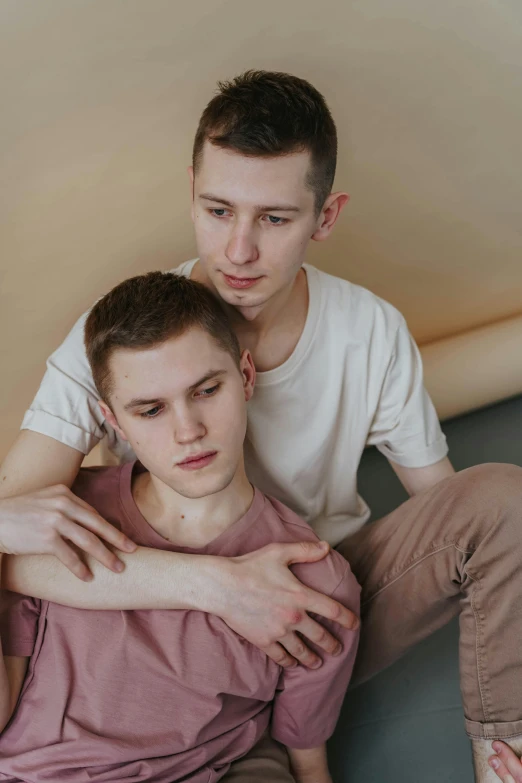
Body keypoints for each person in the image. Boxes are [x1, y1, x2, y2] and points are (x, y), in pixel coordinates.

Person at [1, 69, 522, 781]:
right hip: (160, 601)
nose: (238, 250)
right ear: (191, 191)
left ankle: (504, 759)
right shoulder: (123, 342)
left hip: (316, 608)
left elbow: (449, 517)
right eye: (218, 210)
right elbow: (13, 542)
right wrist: (218, 586)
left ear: (325, 217)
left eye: (274, 219)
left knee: (503, 502)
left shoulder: (371, 330)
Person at [0, 272, 360, 783]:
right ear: (114, 423)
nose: (188, 431)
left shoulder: (318, 584)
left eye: (207, 390)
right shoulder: (59, 518)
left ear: (247, 377)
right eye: (150, 410)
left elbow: (308, 761)